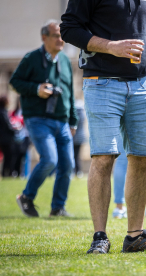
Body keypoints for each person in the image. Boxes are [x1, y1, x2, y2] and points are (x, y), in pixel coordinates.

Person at [60, 0, 146, 254]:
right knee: (104, 157)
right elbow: (68, 28)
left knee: (143, 158)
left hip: (143, 86)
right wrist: (110, 47)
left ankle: (136, 237)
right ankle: (100, 237)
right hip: (101, 82)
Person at [10, 20, 78, 217]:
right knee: (49, 160)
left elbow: (70, 93)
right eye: (56, 35)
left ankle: (58, 208)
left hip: (63, 122)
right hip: (38, 119)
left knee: (68, 165)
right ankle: (26, 197)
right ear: (44, 37)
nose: (60, 39)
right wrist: (36, 89)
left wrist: (73, 120)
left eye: (61, 36)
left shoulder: (65, 60)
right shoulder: (32, 58)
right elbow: (15, 82)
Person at [9, 98, 31, 177]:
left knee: (23, 156)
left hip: (25, 137)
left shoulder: (27, 112)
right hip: (15, 138)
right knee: (15, 157)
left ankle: (23, 173)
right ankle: (15, 173)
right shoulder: (14, 113)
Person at [0, 95, 16, 177]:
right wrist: (16, 130)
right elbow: (7, 125)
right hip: (6, 139)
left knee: (6, 156)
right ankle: (7, 173)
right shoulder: (3, 112)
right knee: (9, 156)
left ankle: (4, 173)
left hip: (3, 139)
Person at [72, 99, 87, 178]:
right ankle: (78, 171)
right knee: (77, 156)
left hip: (74, 138)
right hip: (80, 138)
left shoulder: (75, 115)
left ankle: (74, 171)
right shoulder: (83, 115)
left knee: (73, 156)